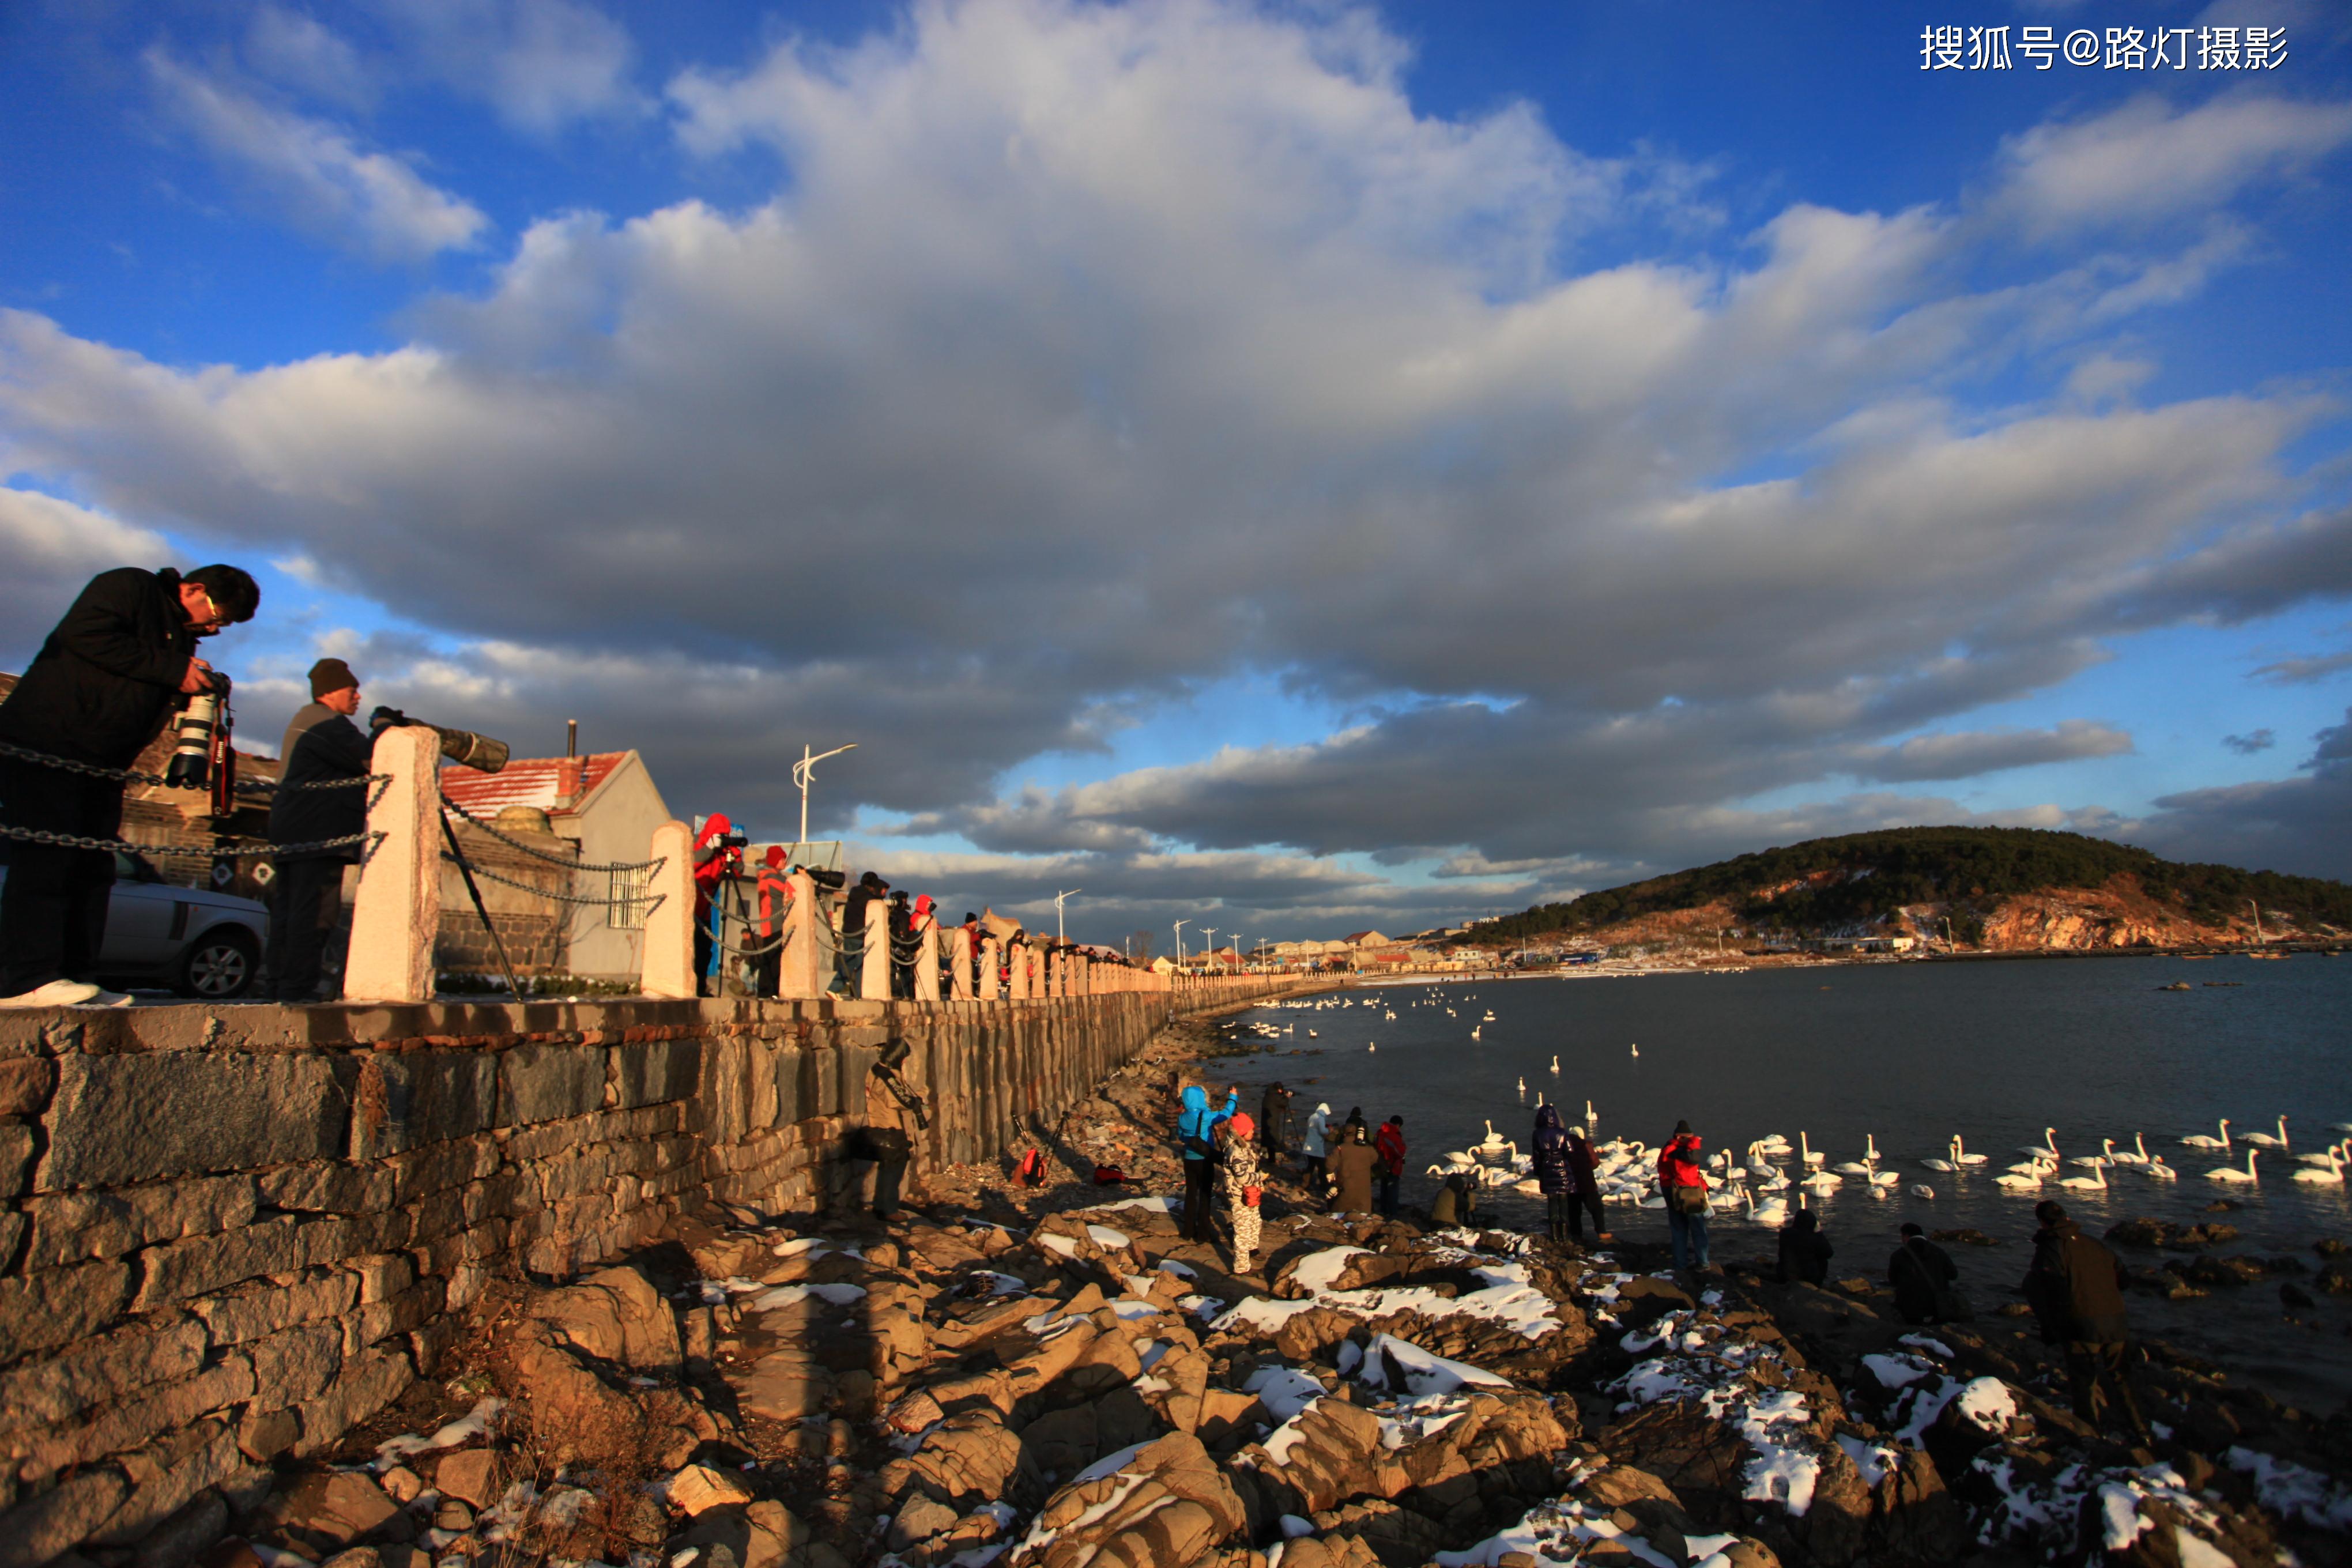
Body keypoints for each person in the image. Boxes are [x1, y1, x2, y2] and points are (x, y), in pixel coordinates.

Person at [0, 564, 258, 1008]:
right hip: (48, 740)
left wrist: (189, 687)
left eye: (225, 624)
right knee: (49, 860)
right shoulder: (131, 586)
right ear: (192, 588)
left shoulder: (181, 637)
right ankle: (25, 980)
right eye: (217, 613)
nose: (216, 626)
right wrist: (173, 669)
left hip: (102, 762)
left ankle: (76, 977)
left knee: (95, 869)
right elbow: (85, 636)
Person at [265, 658, 371, 1002]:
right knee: (315, 914)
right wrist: (388, 729)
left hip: (294, 829)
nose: (358, 697)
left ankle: (278, 986)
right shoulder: (328, 724)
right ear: (330, 692)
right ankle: (298, 990)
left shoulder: (305, 720)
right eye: (351, 690)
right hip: (318, 834)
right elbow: (373, 757)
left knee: (289, 909)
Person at [2023, 1200, 2150, 1442]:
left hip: (2082, 1324)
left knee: (2084, 1380)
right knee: (2122, 1376)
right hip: (2115, 1321)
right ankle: (2141, 1430)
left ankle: (2090, 1435)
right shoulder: (2095, 1244)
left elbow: (2050, 1290)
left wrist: (2051, 1327)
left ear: (2041, 1221)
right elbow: (2124, 1280)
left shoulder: (2051, 1250)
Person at [855, 1038, 930, 1219]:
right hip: (890, 1127)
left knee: (890, 1168)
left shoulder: (881, 1070)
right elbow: (899, 1100)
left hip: (890, 1125)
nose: (904, 1062)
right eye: (903, 1058)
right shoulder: (885, 1075)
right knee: (894, 1169)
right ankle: (888, 1210)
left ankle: (883, 1206)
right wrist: (917, 1099)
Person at [1177, 1082, 1237, 1243]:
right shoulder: (1205, 1116)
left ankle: (1187, 1231)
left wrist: (1191, 1139)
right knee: (1205, 1196)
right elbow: (1226, 1114)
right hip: (1204, 1159)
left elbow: (1181, 1136)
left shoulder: (1182, 1117)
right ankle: (1203, 1234)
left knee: (1190, 1195)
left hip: (1189, 1159)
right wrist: (1233, 1097)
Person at [689, 814, 741, 997]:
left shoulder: (722, 853)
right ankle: (691, 988)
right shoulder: (696, 843)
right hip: (691, 908)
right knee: (690, 951)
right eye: (721, 834)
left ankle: (701, 987)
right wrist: (710, 847)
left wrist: (735, 857)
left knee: (705, 951)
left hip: (705, 911)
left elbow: (737, 873)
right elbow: (690, 863)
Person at [1657, 1119, 1711, 1275]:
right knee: (1698, 1228)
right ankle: (1703, 1263)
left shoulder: (1670, 1150)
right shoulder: (1690, 1151)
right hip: (1692, 1193)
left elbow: (1664, 1169)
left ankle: (1680, 1265)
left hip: (1673, 1192)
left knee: (1679, 1229)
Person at [1889, 1222, 1966, 1324]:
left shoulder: (1898, 1255)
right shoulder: (1939, 1252)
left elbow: (1893, 1281)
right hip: (1938, 1307)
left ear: (1906, 1236)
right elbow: (1953, 1275)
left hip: (1910, 1308)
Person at [1218, 1111, 1265, 1272]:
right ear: (1242, 1132)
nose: (1254, 1132)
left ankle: (1252, 1249)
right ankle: (1241, 1266)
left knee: (1255, 1221)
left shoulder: (1246, 1146)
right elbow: (1243, 1178)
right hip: (1240, 1196)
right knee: (1242, 1231)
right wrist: (1260, 1177)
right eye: (1251, 1130)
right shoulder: (1236, 1151)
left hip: (1250, 1193)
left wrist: (1259, 1183)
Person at [749, 847, 793, 998]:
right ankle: (767, 991)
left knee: (773, 959)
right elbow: (791, 890)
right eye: (781, 859)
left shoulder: (773, 876)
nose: (784, 862)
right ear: (775, 860)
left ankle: (770, 991)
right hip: (773, 924)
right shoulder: (770, 877)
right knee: (771, 960)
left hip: (775, 923)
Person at [1563, 1122, 1610, 1243]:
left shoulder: (1563, 1146)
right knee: (1596, 1207)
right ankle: (1602, 1232)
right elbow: (1595, 1163)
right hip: (1586, 1181)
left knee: (1574, 1209)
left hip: (1571, 1182)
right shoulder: (1587, 1145)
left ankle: (1576, 1234)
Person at [1328, 1123, 1379, 1215]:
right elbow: (1375, 1158)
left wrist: (1330, 1173)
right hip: (1364, 1194)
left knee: (1339, 1208)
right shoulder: (1367, 1148)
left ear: (1344, 1135)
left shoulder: (1340, 1149)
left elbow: (1329, 1164)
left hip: (1346, 1190)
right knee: (1364, 1213)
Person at [1777, 1206, 1834, 1286]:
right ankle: (1818, 1284)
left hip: (1784, 1275)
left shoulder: (1784, 1233)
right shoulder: (1813, 1238)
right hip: (1808, 1278)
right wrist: (1819, 1233)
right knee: (1823, 1259)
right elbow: (1829, 1253)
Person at [1374, 1114, 1407, 1216]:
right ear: (1398, 1125)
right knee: (1393, 1190)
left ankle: (1384, 1210)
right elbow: (1399, 1153)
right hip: (1392, 1166)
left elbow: (1375, 1146)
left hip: (1381, 1165)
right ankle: (1393, 1213)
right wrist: (1404, 1148)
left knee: (1383, 1188)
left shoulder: (1380, 1133)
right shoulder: (1394, 1136)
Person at [1301, 1102, 1332, 1194]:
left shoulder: (1312, 1117)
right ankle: (1324, 1186)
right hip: (1316, 1147)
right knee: (1322, 1167)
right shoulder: (1320, 1118)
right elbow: (1323, 1131)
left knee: (1311, 1166)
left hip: (1309, 1145)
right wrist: (1329, 1130)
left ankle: (1305, 1184)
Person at [887, 889, 914, 998]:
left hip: (899, 945)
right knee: (900, 972)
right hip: (897, 945)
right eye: (904, 899)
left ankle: (902, 993)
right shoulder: (900, 915)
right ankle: (904, 993)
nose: (905, 902)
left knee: (901, 971)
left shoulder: (900, 914)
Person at [1259, 1081, 1292, 1158]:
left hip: (1266, 1120)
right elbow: (1284, 1103)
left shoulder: (1268, 1094)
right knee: (1272, 1139)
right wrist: (1286, 1097)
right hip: (1272, 1120)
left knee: (1267, 1138)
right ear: (1279, 1090)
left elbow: (1277, 1104)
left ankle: (1267, 1156)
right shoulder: (1275, 1096)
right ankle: (1272, 1159)